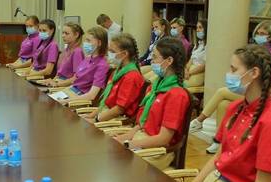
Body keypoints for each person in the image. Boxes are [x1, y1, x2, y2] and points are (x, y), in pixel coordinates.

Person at [187, 45, 271, 182]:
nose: (228, 74)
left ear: (254, 73)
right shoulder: (235, 108)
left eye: (233, 70)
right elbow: (218, 157)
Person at [114, 37, 190, 170]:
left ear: (169, 61)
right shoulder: (155, 86)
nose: (152, 61)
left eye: (155, 57)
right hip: (142, 139)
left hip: (157, 151)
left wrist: (130, 144)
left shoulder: (177, 95)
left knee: (118, 166)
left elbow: (163, 139)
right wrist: (124, 138)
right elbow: (142, 124)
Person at [81, 33, 145, 123]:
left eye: (112, 51)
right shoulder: (118, 71)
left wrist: (95, 120)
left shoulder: (132, 76)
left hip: (118, 119)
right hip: (106, 113)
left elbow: (119, 109)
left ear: (124, 54)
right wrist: (90, 115)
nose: (108, 54)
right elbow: (106, 102)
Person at [54, 26, 110, 104]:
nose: (85, 43)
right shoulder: (87, 58)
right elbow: (75, 80)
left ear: (99, 43)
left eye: (88, 41)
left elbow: (91, 95)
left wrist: (65, 101)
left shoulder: (102, 65)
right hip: (70, 90)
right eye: (85, 40)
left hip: (79, 97)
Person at [184, 18, 207, 88]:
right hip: (189, 72)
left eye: (200, 27)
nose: (197, 30)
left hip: (198, 73)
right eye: (197, 28)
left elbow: (204, 66)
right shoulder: (197, 45)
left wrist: (190, 73)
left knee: (179, 86)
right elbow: (191, 60)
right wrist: (186, 70)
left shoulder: (209, 46)